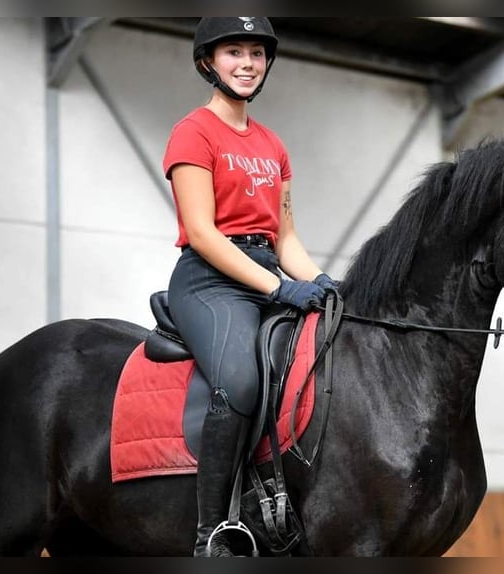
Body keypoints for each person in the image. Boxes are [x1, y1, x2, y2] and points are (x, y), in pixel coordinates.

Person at [162, 17, 337, 557]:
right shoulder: (193, 132)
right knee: (238, 382)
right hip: (208, 281)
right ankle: (210, 536)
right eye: (233, 52)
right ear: (208, 63)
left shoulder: (272, 145)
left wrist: (321, 280)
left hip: (263, 273)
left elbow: (284, 237)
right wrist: (279, 289)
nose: (246, 63)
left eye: (256, 53)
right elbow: (202, 232)